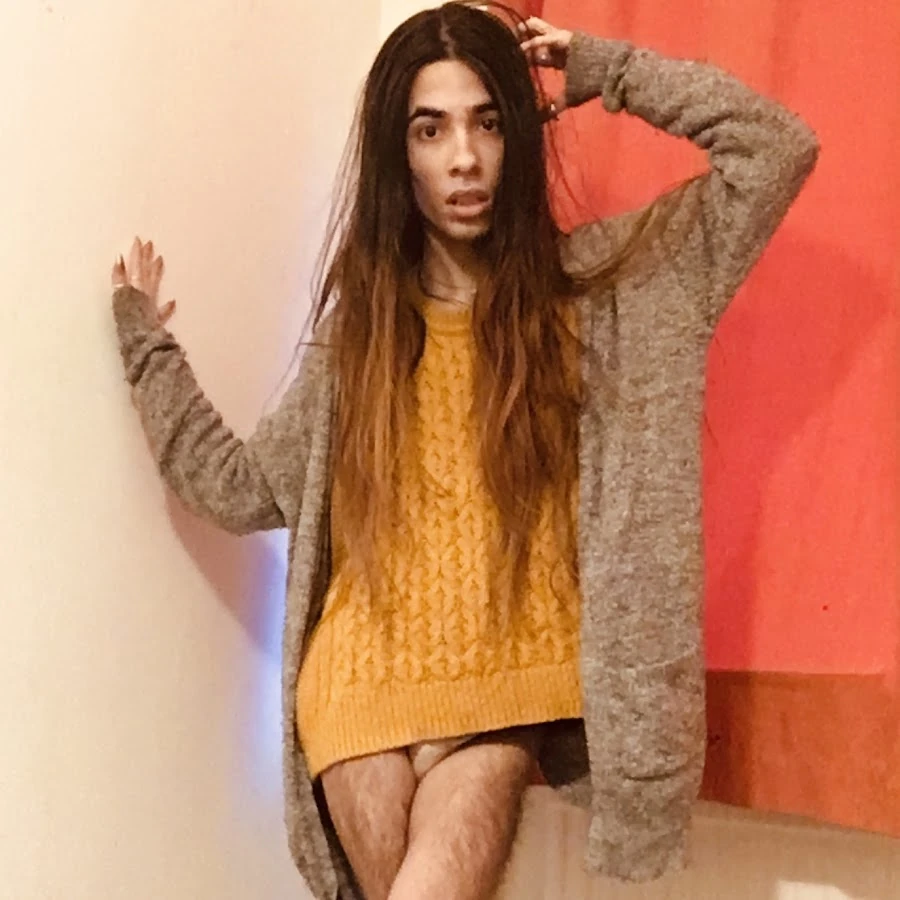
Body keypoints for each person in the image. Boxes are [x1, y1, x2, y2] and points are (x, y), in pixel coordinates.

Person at [109, 3, 819, 899]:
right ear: (396, 153)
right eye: (430, 128)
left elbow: (775, 150)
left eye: (488, 122)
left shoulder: (607, 294)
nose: (464, 158)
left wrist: (605, 68)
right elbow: (239, 488)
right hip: (359, 681)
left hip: (506, 693)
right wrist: (149, 350)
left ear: (519, 134)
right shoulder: (361, 335)